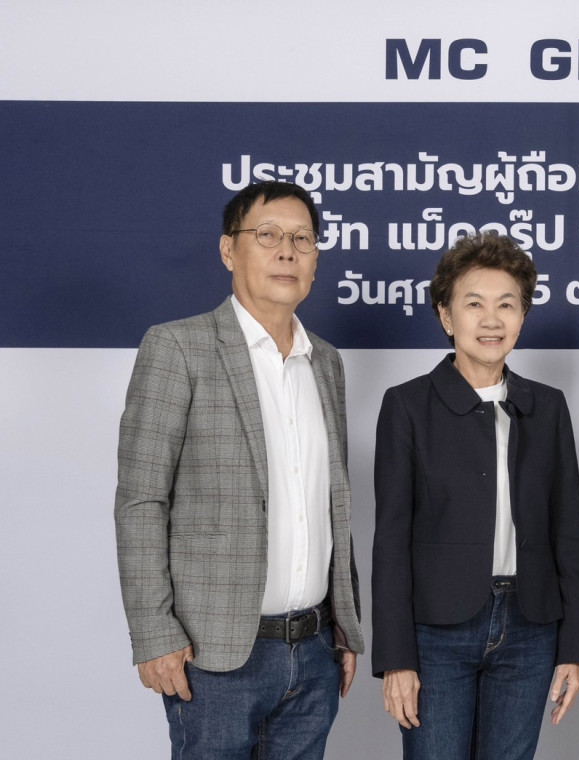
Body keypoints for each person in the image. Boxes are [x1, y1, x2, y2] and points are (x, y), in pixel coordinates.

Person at [114, 181, 365, 759]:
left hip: (315, 652)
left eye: (302, 239)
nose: (287, 251)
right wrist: (153, 634)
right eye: (268, 235)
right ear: (229, 250)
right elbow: (141, 499)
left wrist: (344, 623)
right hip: (214, 656)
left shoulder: (325, 362)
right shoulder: (178, 348)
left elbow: (332, 504)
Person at [372, 232, 579, 760]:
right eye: (474, 304)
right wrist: (396, 658)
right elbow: (391, 541)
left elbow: (569, 533)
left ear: (523, 316)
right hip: (436, 632)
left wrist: (575, 648)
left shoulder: (547, 407)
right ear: (446, 316)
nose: (491, 320)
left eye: (507, 305)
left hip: (531, 627)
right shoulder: (407, 406)